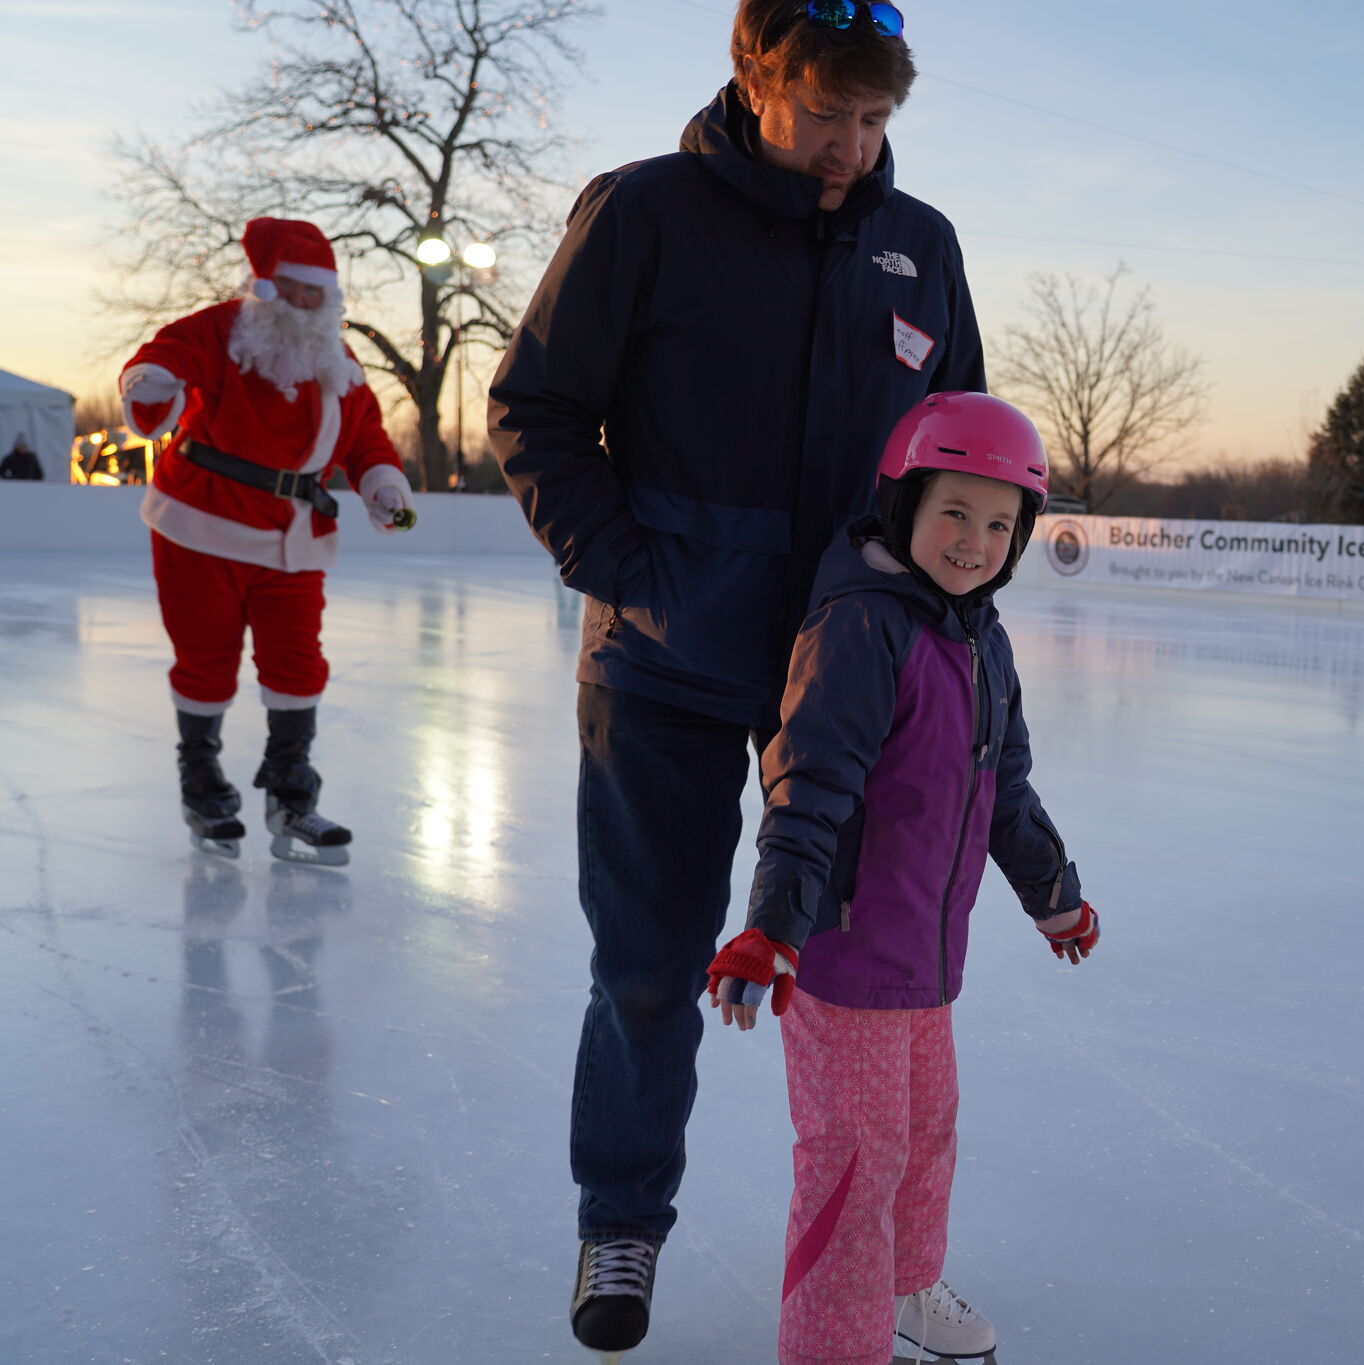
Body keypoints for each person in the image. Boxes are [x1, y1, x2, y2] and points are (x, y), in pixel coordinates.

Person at [485, 2, 985, 1354]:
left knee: (874, 985)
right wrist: (626, 572)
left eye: (873, 120)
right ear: (755, 78)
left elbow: (957, 452)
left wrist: (933, 621)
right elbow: (534, 409)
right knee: (650, 964)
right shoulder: (643, 213)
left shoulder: (920, 246)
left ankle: (890, 1267)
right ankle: (621, 1217)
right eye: (825, 113)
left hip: (848, 672)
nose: (849, 146)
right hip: (660, 665)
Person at [705, 392, 1100, 1365]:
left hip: (926, 961)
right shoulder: (861, 625)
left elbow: (1004, 791)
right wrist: (774, 927)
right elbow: (809, 787)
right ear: (904, 505)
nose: (974, 541)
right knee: (853, 1160)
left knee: (924, 1135)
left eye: (999, 524)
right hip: (845, 959)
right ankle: (832, 1346)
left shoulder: (981, 639)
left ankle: (906, 1289)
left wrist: (1054, 896)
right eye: (954, 512)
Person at [119, 216, 415, 865]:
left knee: (298, 663)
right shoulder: (226, 329)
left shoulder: (337, 358)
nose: (305, 302)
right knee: (206, 659)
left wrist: (382, 484)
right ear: (267, 286)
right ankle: (203, 787)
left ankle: (292, 797)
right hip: (203, 527)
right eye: (294, 287)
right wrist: (151, 381)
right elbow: (166, 356)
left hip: (295, 539)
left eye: (317, 292)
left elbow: (365, 435)